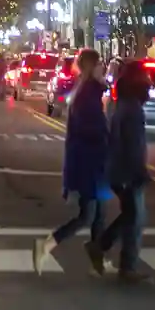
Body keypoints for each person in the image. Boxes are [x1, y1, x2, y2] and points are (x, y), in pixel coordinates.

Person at [34, 49, 109, 274]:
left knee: (99, 213)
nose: (103, 68)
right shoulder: (88, 94)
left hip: (93, 161)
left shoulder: (87, 92)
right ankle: (48, 244)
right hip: (90, 162)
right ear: (90, 67)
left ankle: (99, 262)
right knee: (88, 215)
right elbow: (91, 130)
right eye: (100, 64)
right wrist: (109, 141)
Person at [85, 60, 151, 283]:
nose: (150, 83)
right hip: (127, 171)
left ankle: (102, 246)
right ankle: (127, 266)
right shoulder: (131, 108)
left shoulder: (124, 103)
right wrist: (138, 171)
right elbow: (130, 144)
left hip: (120, 169)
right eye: (146, 78)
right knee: (135, 218)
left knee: (132, 215)